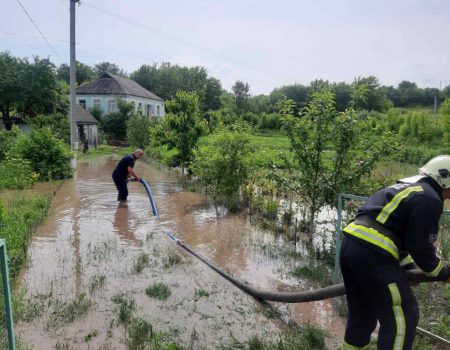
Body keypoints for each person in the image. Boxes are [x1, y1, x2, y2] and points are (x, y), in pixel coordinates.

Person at [340, 155, 450, 350]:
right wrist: (442, 272)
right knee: (403, 318)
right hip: (374, 255)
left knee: (362, 313)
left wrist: (408, 265)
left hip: (351, 246)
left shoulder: (408, 189)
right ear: (445, 179)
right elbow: (420, 245)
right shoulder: (430, 199)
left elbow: (393, 233)